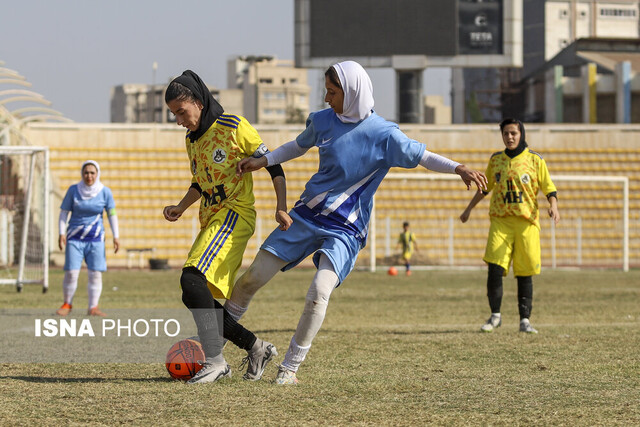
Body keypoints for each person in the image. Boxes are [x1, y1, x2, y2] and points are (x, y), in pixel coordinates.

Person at [228, 60, 488, 385]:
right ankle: (213, 354)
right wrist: (262, 160)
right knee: (251, 278)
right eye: (326, 90)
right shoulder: (322, 121)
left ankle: (290, 368)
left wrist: (459, 168)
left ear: (352, 93)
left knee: (318, 291)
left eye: (333, 92)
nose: (327, 98)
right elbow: (297, 146)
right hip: (307, 214)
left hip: (346, 228)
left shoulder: (385, 134)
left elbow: (422, 156)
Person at [162, 70, 292, 384]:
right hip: (211, 218)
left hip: (235, 214)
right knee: (192, 292)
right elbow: (201, 182)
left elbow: (272, 161)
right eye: (174, 114)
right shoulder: (191, 140)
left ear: (198, 101)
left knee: (191, 281)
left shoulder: (232, 127)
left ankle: (216, 361)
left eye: (182, 111)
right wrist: (182, 205)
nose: (179, 119)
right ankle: (255, 347)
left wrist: (281, 206)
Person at [459, 118, 560, 334]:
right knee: (494, 269)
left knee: (524, 272)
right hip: (501, 222)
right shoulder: (496, 160)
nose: (510, 137)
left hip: (526, 224)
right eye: (506, 133)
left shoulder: (535, 160)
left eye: (513, 133)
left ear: (521, 134)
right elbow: (484, 188)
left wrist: (554, 207)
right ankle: (495, 316)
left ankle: (525, 320)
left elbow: (549, 189)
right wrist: (468, 209)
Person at [56, 160, 119, 317]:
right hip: (74, 238)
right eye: (86, 172)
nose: (89, 176)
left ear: (97, 174)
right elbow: (64, 212)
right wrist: (61, 232)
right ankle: (67, 303)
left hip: (96, 239)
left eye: (92, 172)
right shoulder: (73, 190)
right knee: (71, 273)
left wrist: (116, 236)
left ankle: (93, 307)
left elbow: (112, 214)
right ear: (82, 174)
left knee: (95, 273)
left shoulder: (105, 192)